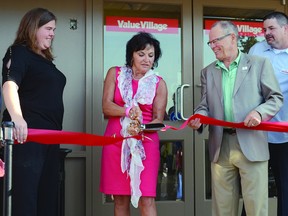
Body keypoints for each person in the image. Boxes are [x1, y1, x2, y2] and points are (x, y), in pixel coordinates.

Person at [188, 20, 283, 216]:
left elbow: (275, 98)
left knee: (256, 209)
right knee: (222, 210)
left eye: (216, 41)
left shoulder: (259, 64)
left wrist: (259, 113)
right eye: (210, 43)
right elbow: (204, 105)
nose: (213, 46)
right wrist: (199, 116)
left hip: (251, 144)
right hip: (221, 146)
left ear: (232, 38)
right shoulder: (207, 71)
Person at [1, 8, 66, 216]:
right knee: (24, 198)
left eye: (54, 29)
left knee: (47, 198)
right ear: (33, 28)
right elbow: (10, 85)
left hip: (50, 138)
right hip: (26, 136)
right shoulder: (18, 52)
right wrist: (17, 118)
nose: (52, 34)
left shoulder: (46, 61)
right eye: (48, 28)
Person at [100, 31, 167, 216]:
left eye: (151, 55)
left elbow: (158, 121)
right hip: (116, 142)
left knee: (147, 198)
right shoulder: (115, 73)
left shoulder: (159, 83)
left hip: (145, 144)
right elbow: (106, 107)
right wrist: (127, 111)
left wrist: (140, 129)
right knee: (120, 199)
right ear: (131, 54)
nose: (146, 59)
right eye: (141, 54)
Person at [248, 11, 288, 216]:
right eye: (264, 29)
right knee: (253, 189)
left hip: (284, 137)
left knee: (285, 190)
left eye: (271, 28)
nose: (267, 33)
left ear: (285, 28)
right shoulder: (257, 50)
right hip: (257, 134)